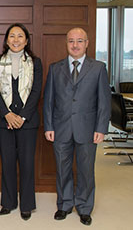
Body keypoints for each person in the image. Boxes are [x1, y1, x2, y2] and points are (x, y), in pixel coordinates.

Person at [43, 27, 111, 226]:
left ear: (87, 43)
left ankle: (84, 207)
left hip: (88, 129)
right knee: (62, 169)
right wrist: (48, 126)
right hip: (61, 127)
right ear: (66, 44)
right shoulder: (55, 68)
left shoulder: (98, 68)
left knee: (86, 170)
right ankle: (64, 205)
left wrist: (101, 128)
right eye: (71, 41)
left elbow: (104, 102)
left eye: (79, 41)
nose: (75, 45)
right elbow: (48, 100)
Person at [0, 23, 42, 220]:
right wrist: (7, 115)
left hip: (27, 122)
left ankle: (26, 205)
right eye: (12, 36)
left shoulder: (35, 63)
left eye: (20, 36)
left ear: (27, 40)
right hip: (5, 121)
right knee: (7, 162)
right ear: (6, 40)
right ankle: (8, 202)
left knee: (27, 164)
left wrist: (22, 117)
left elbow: (36, 91)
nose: (16, 40)